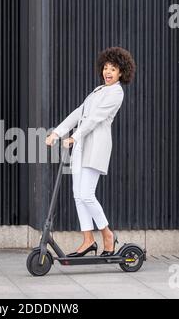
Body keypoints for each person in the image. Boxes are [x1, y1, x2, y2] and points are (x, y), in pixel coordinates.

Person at [45, 47, 136, 257]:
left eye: (113, 68)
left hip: (95, 148)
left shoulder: (116, 93)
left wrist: (74, 137)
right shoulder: (97, 91)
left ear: (121, 72)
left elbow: (94, 119)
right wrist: (56, 133)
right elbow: (80, 113)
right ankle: (88, 239)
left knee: (86, 194)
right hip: (80, 147)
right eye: (105, 67)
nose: (108, 72)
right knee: (78, 195)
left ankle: (107, 234)